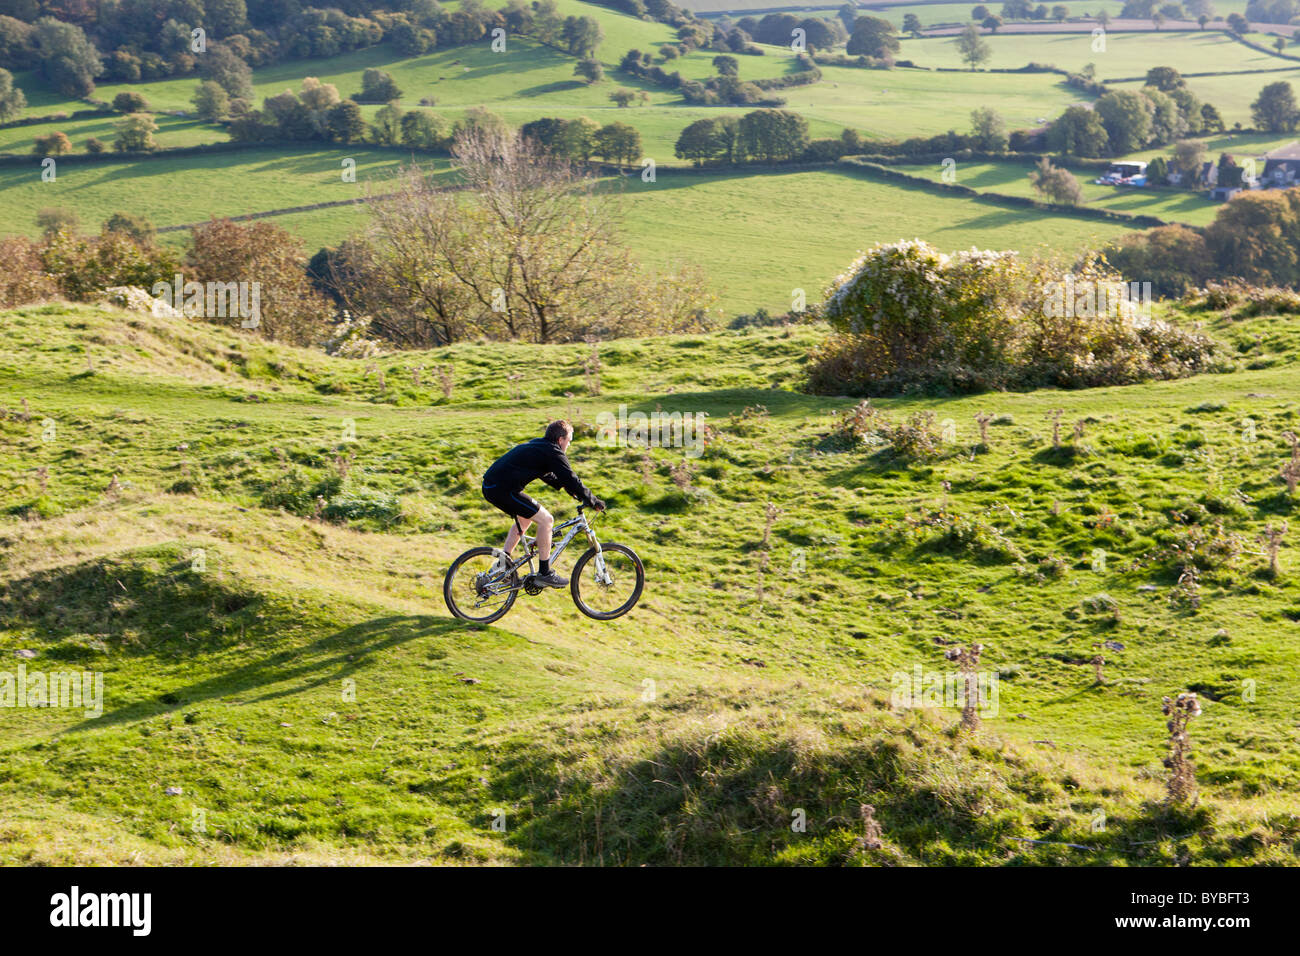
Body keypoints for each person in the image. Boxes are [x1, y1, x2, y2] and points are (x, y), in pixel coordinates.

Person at [481, 420, 605, 588]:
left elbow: (546, 472)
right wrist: (592, 500)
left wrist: (569, 489)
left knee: (526, 518)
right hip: (502, 489)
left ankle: (503, 566)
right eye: (569, 441)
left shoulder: (540, 446)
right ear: (560, 439)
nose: (568, 445)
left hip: (493, 486)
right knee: (547, 520)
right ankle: (545, 573)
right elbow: (570, 476)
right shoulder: (553, 451)